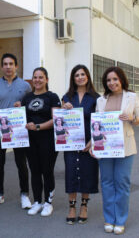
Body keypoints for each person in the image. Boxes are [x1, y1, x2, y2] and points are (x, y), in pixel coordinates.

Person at [91, 66, 139, 235]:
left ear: (121, 79)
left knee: (122, 183)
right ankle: (109, 218)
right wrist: (94, 144)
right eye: (108, 80)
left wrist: (132, 118)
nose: (112, 83)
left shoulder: (132, 97)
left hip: (126, 148)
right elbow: (96, 125)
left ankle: (120, 219)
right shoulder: (101, 100)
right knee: (106, 183)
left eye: (115, 79)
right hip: (105, 147)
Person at [0, 53, 32, 208]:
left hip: (19, 131)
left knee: (21, 163)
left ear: (16, 66)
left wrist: (23, 106)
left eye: (11, 64)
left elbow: (31, 107)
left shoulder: (25, 86)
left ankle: (25, 195)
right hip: (0, 130)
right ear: (1, 67)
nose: (8, 67)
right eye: (5, 64)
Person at [61, 64, 100, 224]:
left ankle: (84, 206)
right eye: (77, 75)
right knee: (71, 172)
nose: (80, 77)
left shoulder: (97, 98)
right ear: (73, 78)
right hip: (71, 142)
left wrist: (93, 142)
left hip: (89, 141)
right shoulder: (67, 97)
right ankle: (71, 207)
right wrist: (64, 109)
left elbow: (99, 120)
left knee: (87, 172)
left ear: (88, 76)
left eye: (83, 74)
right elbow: (59, 120)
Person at [22, 67, 61, 217]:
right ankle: (37, 201)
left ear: (46, 79)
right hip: (30, 140)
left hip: (48, 139)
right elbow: (22, 117)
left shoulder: (52, 97)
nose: (37, 80)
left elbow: (56, 119)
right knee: (35, 170)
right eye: (35, 77)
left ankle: (48, 203)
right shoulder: (27, 98)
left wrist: (38, 127)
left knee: (47, 170)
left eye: (41, 77)